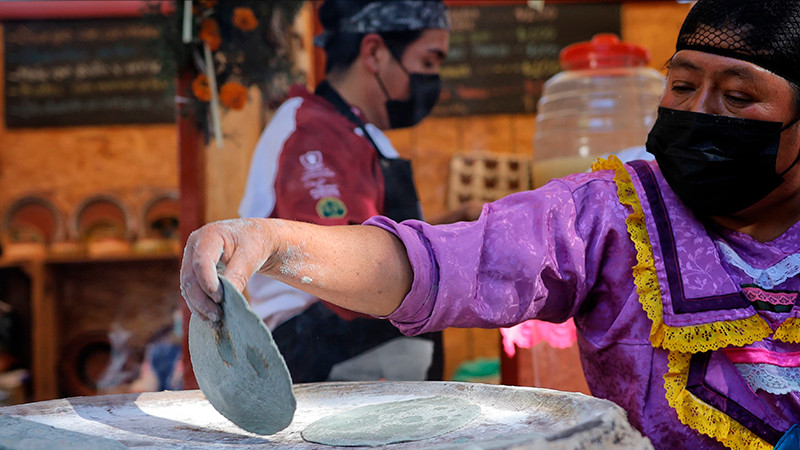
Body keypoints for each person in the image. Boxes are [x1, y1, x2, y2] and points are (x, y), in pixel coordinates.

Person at [182, 0, 800, 448]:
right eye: (682, 85)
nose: (698, 113)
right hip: (319, 361)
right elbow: (437, 261)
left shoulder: (366, 134)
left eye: (738, 98)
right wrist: (271, 240)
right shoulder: (608, 215)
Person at [237, 0, 478, 383]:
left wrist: (450, 231)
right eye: (429, 61)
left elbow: (371, 241)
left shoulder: (363, 134)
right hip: (324, 367)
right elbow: (341, 269)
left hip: (373, 369)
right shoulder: (312, 133)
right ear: (375, 52)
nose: (433, 78)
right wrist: (449, 258)